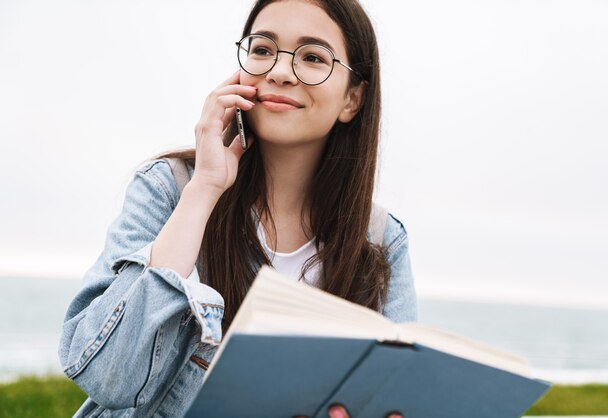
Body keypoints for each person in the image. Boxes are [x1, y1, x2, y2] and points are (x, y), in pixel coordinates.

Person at [59, 0, 417, 417]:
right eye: (263, 50)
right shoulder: (169, 188)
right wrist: (205, 188)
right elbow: (107, 376)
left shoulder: (379, 238)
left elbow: (396, 394)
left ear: (352, 100)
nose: (280, 72)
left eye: (313, 57)